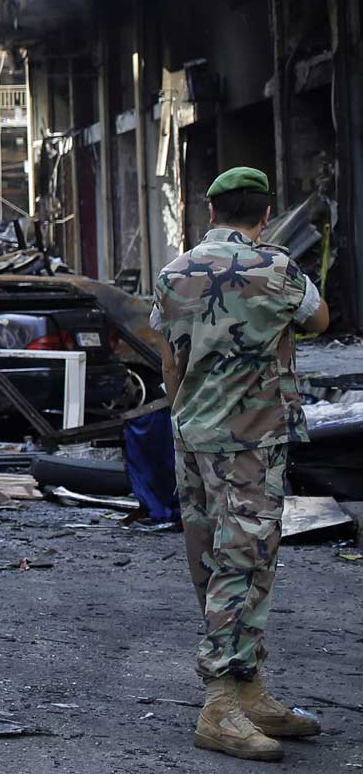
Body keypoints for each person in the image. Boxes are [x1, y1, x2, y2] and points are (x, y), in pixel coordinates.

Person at [152, 166, 328, 760]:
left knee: (211, 559)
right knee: (245, 564)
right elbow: (320, 319)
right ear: (266, 213)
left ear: (209, 213)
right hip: (250, 441)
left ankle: (249, 690)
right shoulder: (277, 269)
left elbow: (169, 354)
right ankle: (220, 704)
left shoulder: (173, 273)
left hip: (191, 436)